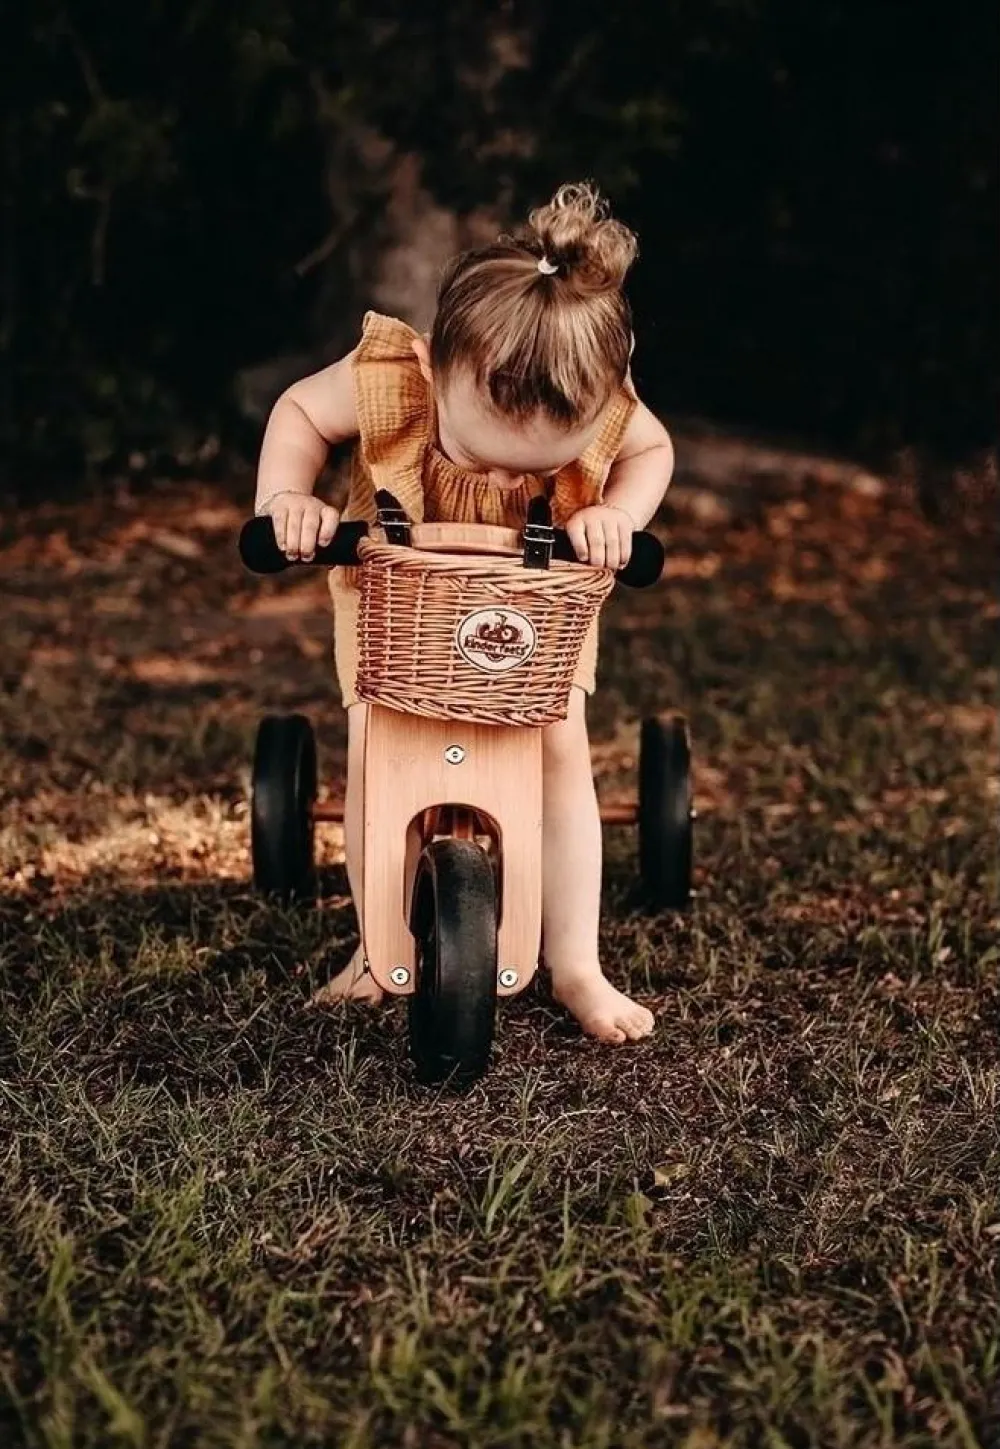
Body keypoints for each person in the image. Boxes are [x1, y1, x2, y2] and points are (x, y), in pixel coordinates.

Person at [254, 182, 674, 1044]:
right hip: (397, 603)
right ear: (439, 366)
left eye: (539, 472)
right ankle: (377, 953)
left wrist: (618, 518)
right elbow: (298, 411)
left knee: (560, 751)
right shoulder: (390, 377)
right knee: (380, 752)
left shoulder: (602, 397)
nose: (511, 485)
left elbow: (652, 449)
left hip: (535, 610)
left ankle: (576, 963)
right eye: (481, 456)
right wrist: (285, 499)